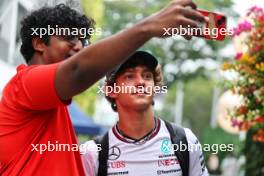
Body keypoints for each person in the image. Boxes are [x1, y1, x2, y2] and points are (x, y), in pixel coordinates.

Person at [0, 1, 206, 175]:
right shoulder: (24, 85)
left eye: (83, 40)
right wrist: (150, 27)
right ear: (39, 43)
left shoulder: (52, 105)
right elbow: (79, 70)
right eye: (70, 37)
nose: (79, 46)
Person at [81, 51, 209, 176]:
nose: (141, 82)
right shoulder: (92, 153)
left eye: (147, 76)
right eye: (130, 76)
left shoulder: (185, 140)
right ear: (111, 90)